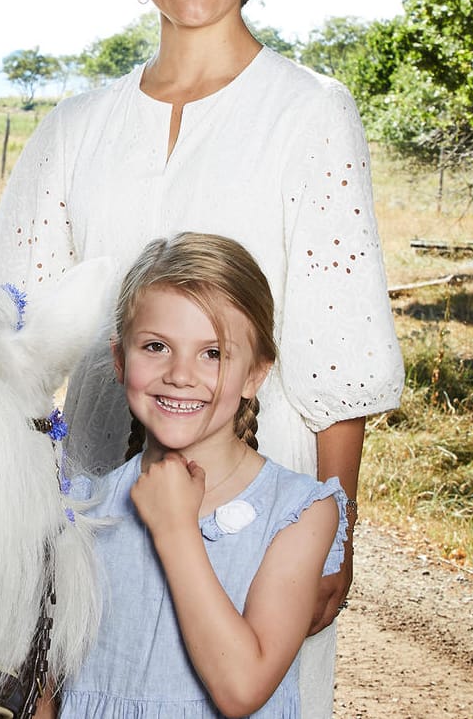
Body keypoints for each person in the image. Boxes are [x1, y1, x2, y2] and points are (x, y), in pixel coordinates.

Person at [0, 0, 404, 715]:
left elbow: (336, 336)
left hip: (261, 474)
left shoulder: (308, 110)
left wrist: (340, 526)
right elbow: (10, 321)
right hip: (102, 469)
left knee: (240, 688)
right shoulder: (77, 126)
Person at [53, 233, 347, 718]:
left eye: (213, 353)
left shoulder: (298, 513)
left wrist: (175, 529)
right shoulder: (78, 510)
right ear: (120, 360)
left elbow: (242, 689)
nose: (181, 374)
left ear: (255, 373)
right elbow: (46, 686)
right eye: (156, 347)